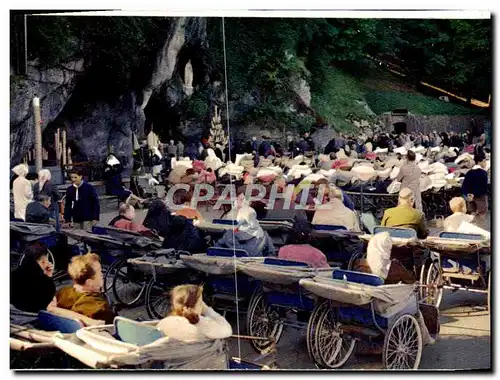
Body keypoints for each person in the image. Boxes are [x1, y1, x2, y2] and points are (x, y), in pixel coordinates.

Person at [157, 284, 232, 342]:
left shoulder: (163, 323)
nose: (202, 306)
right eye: (200, 303)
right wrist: (206, 309)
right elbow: (227, 330)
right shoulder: (203, 325)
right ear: (193, 306)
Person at [55, 253, 115, 324]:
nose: (102, 275)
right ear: (89, 282)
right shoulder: (100, 307)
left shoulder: (61, 293)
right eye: (100, 272)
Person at [10, 242, 56, 313]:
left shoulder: (13, 274)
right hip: (33, 316)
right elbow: (46, 302)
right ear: (43, 261)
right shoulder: (43, 283)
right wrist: (49, 276)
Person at [461, 153, 489, 229]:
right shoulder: (483, 173)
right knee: (481, 215)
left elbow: (464, 186)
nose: (485, 163)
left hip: (470, 197)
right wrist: (475, 194)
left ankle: (472, 230)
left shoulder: (469, 173)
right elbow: (483, 187)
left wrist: (468, 194)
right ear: (480, 162)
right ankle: (481, 232)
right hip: (481, 197)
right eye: (484, 161)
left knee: (472, 215)